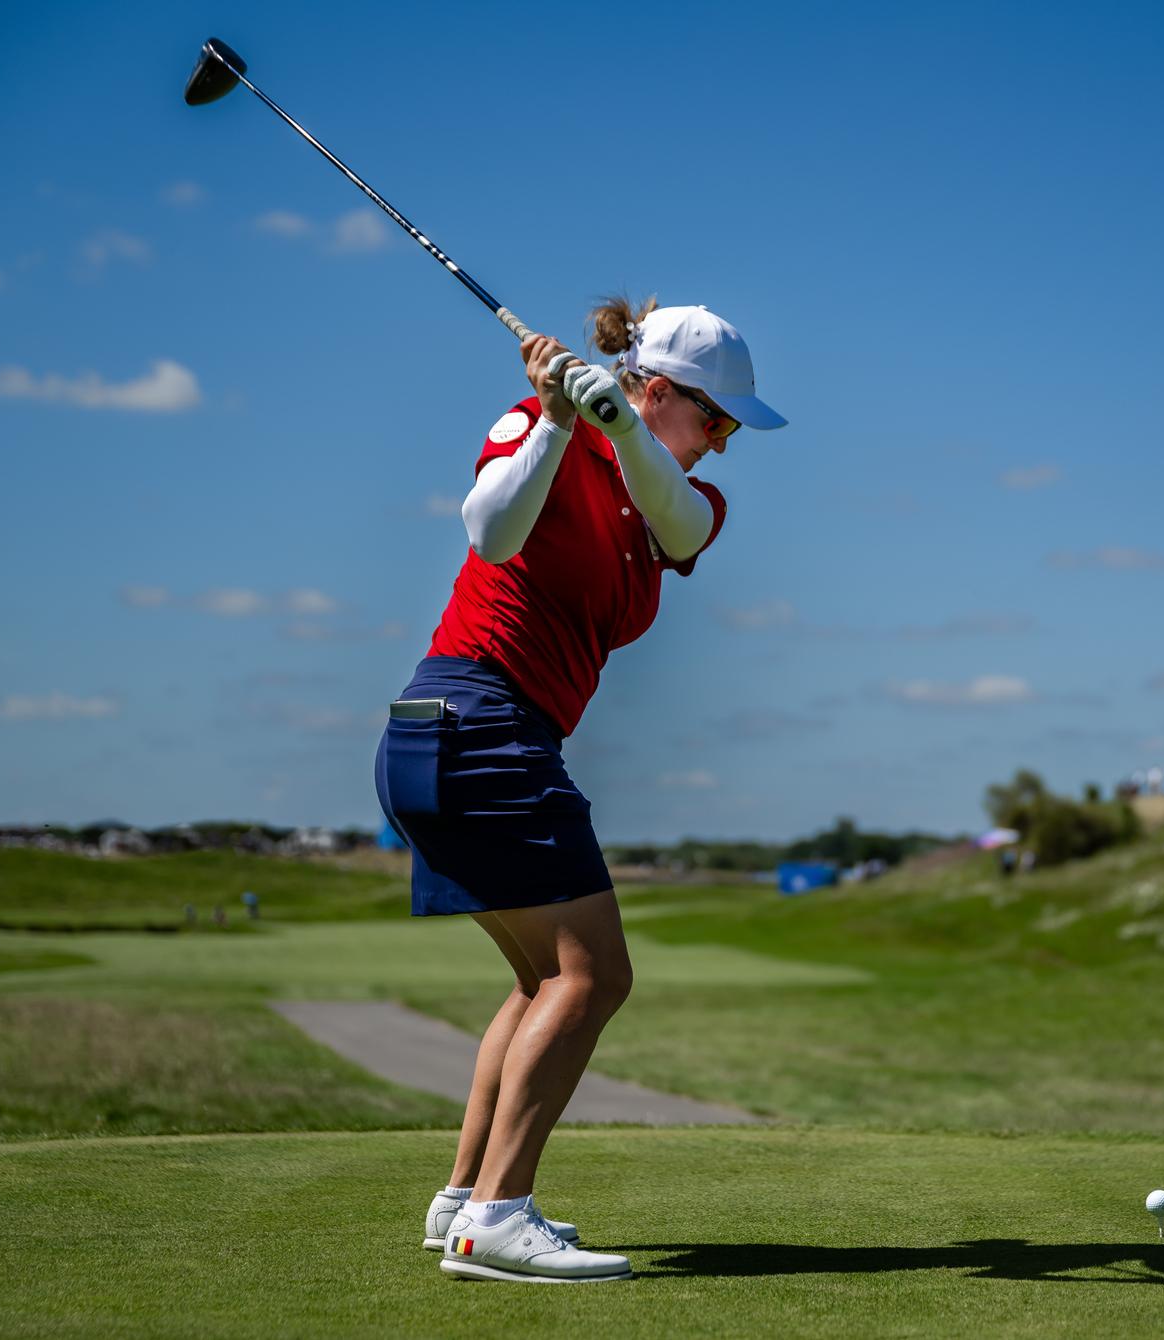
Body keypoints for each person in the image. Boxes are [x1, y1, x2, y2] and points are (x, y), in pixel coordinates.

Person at [374, 298, 784, 1284]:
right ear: (661, 390)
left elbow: (679, 515)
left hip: (469, 738)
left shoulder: (683, 502)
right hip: (475, 722)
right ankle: (497, 1216)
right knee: (593, 975)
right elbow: (492, 533)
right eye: (716, 421)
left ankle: (461, 1197)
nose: (723, 445)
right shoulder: (536, 426)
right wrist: (562, 419)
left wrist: (621, 426)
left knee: (542, 981)